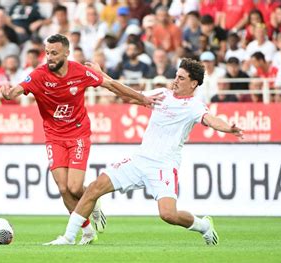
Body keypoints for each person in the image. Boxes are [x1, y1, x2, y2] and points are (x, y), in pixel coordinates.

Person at [44, 58, 244, 246]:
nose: (176, 81)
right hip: (139, 160)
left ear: (193, 84)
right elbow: (129, 94)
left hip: (163, 166)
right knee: (94, 188)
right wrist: (102, 74)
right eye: (176, 76)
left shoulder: (193, 106)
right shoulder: (162, 94)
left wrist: (228, 128)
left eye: (181, 78)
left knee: (169, 215)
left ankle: (204, 226)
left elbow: (210, 120)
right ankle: (69, 237)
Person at [1, 34, 161, 245]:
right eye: (47, 53)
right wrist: (7, 94)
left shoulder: (81, 72)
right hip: (54, 136)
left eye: (55, 53)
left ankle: (93, 203)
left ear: (67, 53)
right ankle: (86, 232)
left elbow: (112, 85)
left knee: (75, 188)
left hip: (77, 135)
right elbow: (16, 92)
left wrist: (142, 99)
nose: (50, 57)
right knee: (63, 188)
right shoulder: (39, 75)